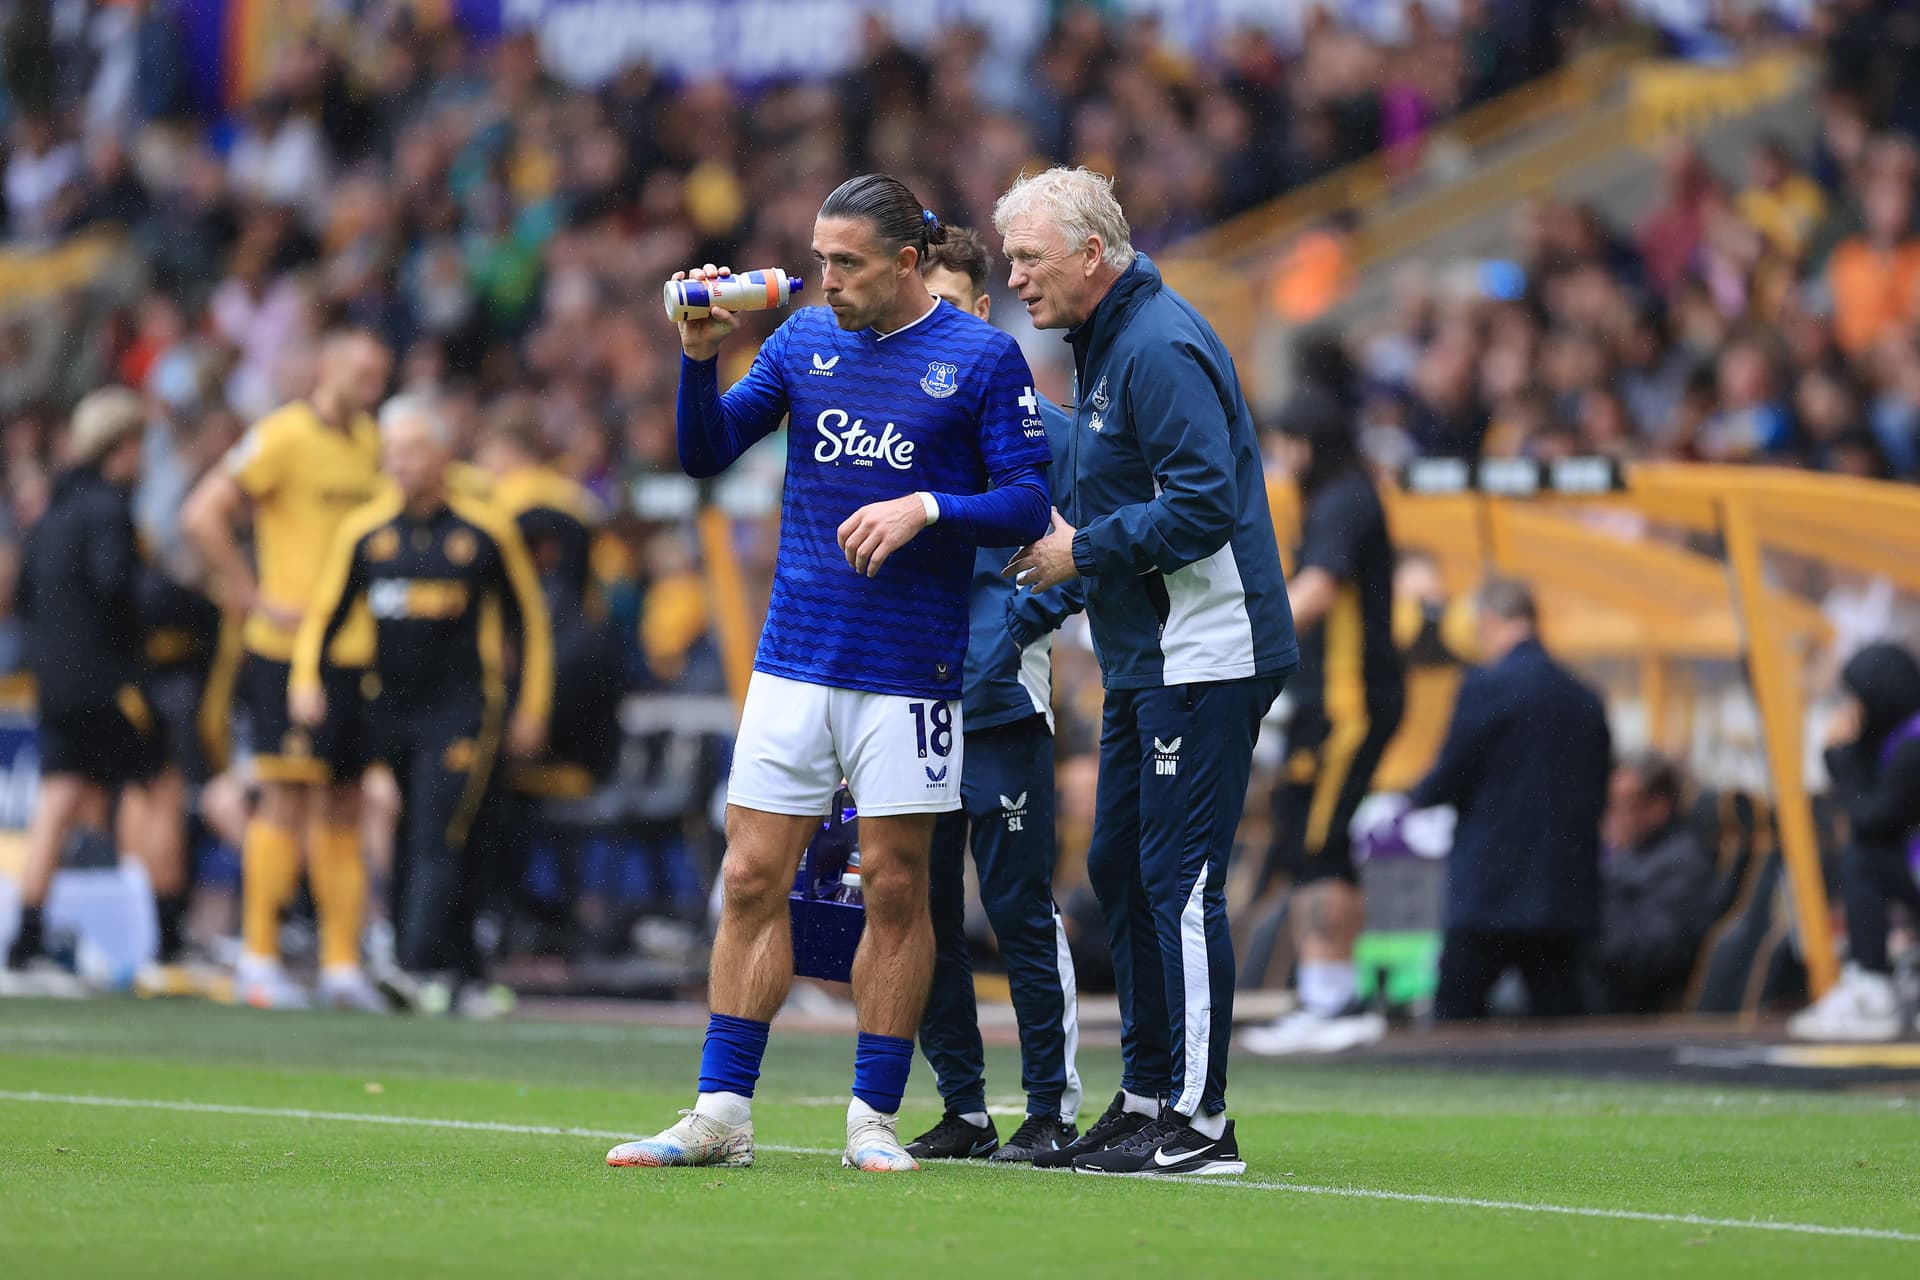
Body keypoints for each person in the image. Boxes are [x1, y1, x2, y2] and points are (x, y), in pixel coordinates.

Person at [606, 174, 1051, 1174]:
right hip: (794, 655)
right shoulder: (804, 340)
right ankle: (721, 1110)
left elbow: (1028, 503)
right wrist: (698, 357)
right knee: (753, 872)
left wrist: (927, 509)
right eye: (818, 258)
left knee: (896, 886)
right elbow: (706, 455)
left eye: (846, 262)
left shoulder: (982, 357)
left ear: (904, 262)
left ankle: (872, 1117)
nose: (825, 277)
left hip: (909, 667)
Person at [1000, 167, 1296, 1176]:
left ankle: (1203, 1121)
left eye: (1030, 257)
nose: (1016, 276)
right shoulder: (1111, 342)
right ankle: (1146, 1094)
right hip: (1149, 655)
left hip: (1207, 650)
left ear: (1090, 253)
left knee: (1179, 879)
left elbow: (1205, 505)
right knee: (1119, 869)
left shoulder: (1156, 343)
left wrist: (1078, 550)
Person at [900, 227, 1084, 1165]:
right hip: (913, 709)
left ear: (978, 311)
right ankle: (965, 1110)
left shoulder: (1047, 429)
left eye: (942, 306)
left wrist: (1015, 632)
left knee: (1017, 911)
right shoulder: (901, 426)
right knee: (922, 912)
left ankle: (1050, 1108)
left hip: (1004, 707)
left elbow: (1095, 550)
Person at [291, 395, 552, 1015]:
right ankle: (455, 971)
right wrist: (306, 679)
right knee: (411, 834)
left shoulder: (485, 529)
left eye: (411, 450)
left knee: (440, 829)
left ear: (442, 456)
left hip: (464, 709)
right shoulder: (365, 531)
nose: (399, 462)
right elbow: (325, 614)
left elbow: (531, 625)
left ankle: (411, 963)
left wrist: (531, 707)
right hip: (391, 709)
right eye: (391, 452)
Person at [183, 329, 393, 1011]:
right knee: (283, 796)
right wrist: (250, 596)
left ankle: (339, 964)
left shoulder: (369, 443)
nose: (372, 386)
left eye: (379, 376)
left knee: (344, 801)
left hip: (354, 649)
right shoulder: (281, 436)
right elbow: (203, 513)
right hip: (285, 649)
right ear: (328, 365)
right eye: (362, 371)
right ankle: (259, 957)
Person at [1243, 383, 1405, 1056]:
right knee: (1319, 840)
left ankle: (1330, 1001)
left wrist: (1236, 638)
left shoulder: (1343, 502)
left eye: (1284, 445)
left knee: (1319, 842)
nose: (1281, 461)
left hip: (1350, 703)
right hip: (1333, 703)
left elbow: (1316, 590)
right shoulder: (1345, 499)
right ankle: (1327, 994)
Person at [4, 389, 161, 994]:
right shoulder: (108, 510)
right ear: (123, 447)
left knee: (66, 800)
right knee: (159, 784)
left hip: (54, 680)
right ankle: (163, 936)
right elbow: (118, 589)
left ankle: (31, 939)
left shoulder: (49, 512)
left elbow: (21, 601)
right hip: (104, 682)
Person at [1410, 578, 1611, 1022]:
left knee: (1456, 1021)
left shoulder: (1485, 687)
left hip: (1491, 888)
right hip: (1564, 889)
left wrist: (1415, 797)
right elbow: (1598, 792)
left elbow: (1452, 773)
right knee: (1563, 1024)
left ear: (1488, 622)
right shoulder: (1585, 698)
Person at [1789, 642, 1920, 1041]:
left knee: (1862, 858)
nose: (1849, 707)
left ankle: (1873, 988)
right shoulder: (1896, 738)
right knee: (1862, 858)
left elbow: (1873, 820)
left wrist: (1841, 756)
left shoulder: (1914, 745)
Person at [1587, 752, 1715, 1015]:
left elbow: (1652, 951)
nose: (1612, 816)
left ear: (1658, 808)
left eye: (1624, 804)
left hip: (1621, 1003)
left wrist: (1580, 931)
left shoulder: (1681, 865)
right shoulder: (1629, 853)